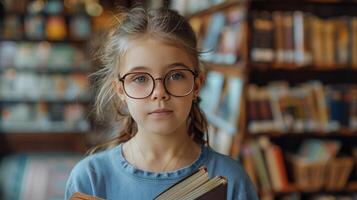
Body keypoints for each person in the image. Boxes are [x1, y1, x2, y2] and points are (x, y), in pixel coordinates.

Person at [65, 6, 258, 200]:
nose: (159, 93)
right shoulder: (89, 179)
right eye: (140, 78)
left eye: (175, 75)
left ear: (197, 85)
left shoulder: (231, 181)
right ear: (121, 90)